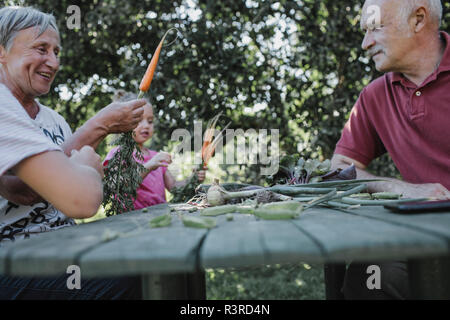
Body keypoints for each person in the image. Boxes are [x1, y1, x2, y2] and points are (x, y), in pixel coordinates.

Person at [0, 6, 144, 299]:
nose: (52, 62)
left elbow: (58, 200)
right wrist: (93, 143)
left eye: (56, 52)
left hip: (62, 246)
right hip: (12, 262)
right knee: (123, 279)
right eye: (41, 49)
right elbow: (27, 192)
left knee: (145, 253)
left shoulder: (56, 122)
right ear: (2, 51)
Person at [331, 0, 450, 299]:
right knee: (372, 274)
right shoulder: (375, 97)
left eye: (374, 28)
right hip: (422, 235)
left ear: (418, 20)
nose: (364, 43)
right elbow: (339, 167)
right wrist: (398, 187)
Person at [103, 91, 206, 209]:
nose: (146, 125)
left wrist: (193, 179)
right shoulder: (117, 154)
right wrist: (149, 165)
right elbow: (118, 186)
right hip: (131, 220)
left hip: (159, 216)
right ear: (122, 122)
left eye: (150, 121)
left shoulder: (156, 156)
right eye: (138, 120)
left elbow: (174, 188)